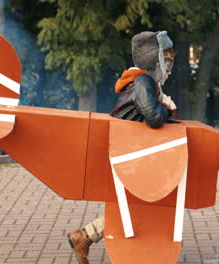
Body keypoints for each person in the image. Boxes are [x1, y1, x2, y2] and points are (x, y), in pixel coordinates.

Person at [67, 30, 177, 264]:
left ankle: (83, 237)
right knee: (142, 203)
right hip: (128, 154)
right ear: (153, 58)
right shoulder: (143, 81)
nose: (169, 64)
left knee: (136, 204)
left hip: (129, 152)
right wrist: (167, 108)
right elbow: (154, 117)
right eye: (166, 57)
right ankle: (85, 237)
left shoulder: (144, 82)